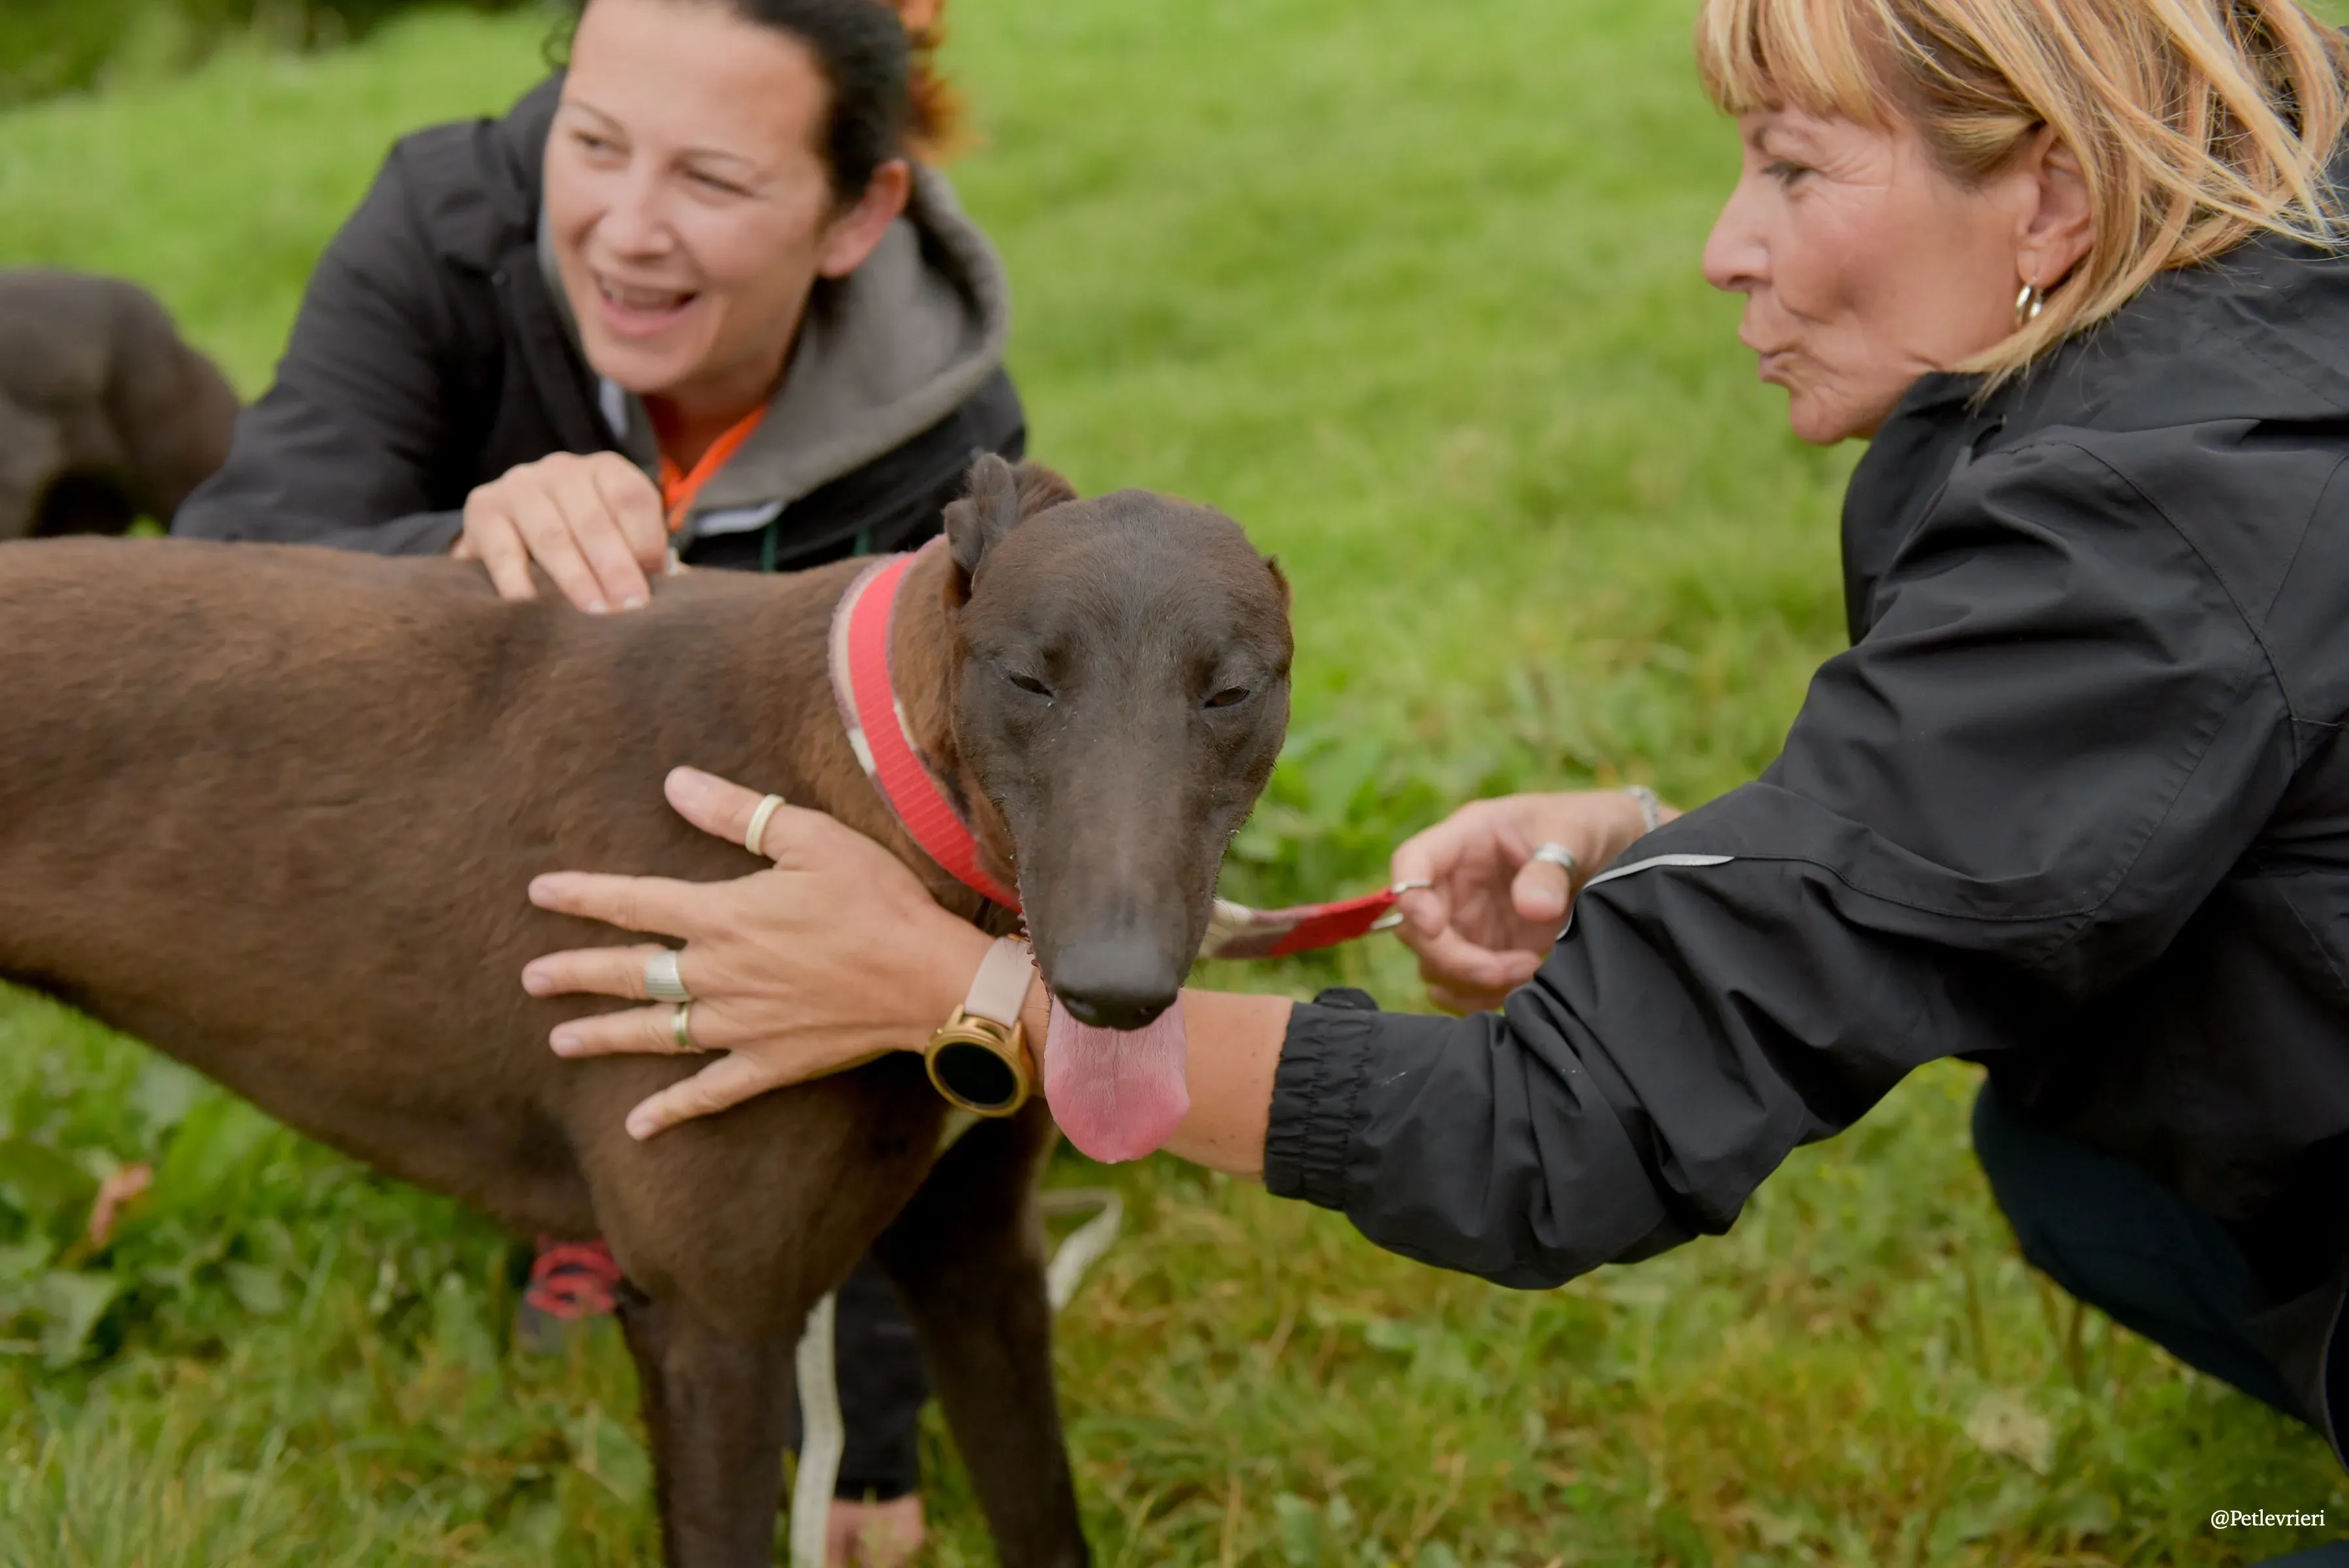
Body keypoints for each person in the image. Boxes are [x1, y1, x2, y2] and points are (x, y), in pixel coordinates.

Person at [518, 0, 2349, 1546]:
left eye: (1793, 165)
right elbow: (2088, 802)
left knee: (2097, 1168)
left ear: (2049, 186)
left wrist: (963, 990)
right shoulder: (2245, 335)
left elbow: (1562, 1132)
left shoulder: (2146, 532)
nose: (1727, 243)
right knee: (2079, 1160)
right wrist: (1668, 850)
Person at [171, 0, 1008, 1558]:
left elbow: (908, 958)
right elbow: (227, 575)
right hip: (453, 804)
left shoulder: (943, 452)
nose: (625, 230)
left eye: (711, 179)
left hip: (711, 875)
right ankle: (550, 1128)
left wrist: (865, 1430)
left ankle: (638, 1155)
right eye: (593, 141)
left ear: (856, 213)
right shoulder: (443, 221)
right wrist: (466, 543)